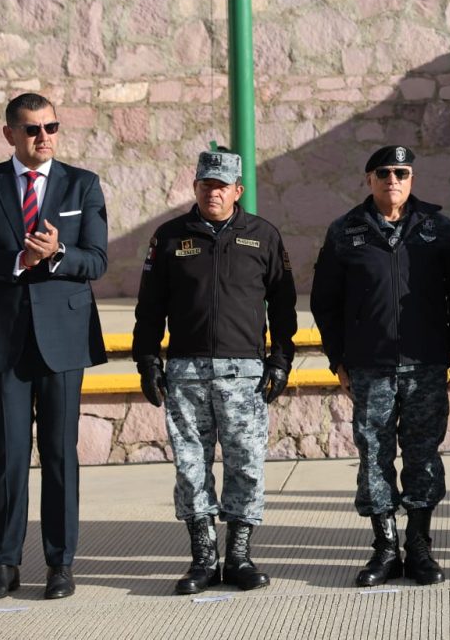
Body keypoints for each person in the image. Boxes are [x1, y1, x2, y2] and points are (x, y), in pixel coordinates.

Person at [132, 150, 297, 594]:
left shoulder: (263, 236)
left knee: (246, 464)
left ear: (237, 190)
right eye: (206, 184)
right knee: (190, 467)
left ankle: (239, 556)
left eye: (222, 186)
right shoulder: (170, 237)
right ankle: (203, 558)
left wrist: (281, 359)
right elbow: (150, 307)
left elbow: (283, 306)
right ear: (195, 187)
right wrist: (147, 360)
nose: (213, 192)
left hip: (244, 372)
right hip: (186, 372)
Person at [310, 145, 450, 587]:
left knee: (423, 455)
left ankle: (418, 545)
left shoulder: (438, 229)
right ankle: (384, 547)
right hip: (370, 365)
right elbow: (325, 302)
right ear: (369, 180)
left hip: (425, 364)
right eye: (383, 172)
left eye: (401, 172)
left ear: (411, 179)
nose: (392, 180)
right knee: (374, 456)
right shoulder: (345, 230)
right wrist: (337, 357)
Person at [0, 93, 107, 600]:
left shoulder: (83, 184)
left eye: (51, 127)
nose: (44, 137)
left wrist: (58, 253)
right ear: (10, 134)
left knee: (60, 454)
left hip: (62, 339)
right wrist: (19, 262)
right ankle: (5, 561)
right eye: (33, 128)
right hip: (6, 340)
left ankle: (60, 564)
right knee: (7, 456)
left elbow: (97, 259)